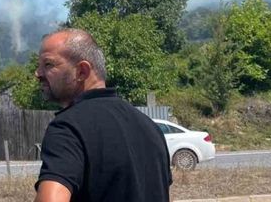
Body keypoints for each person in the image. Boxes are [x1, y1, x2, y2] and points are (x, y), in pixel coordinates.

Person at [33, 28, 171, 202]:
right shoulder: (149, 126)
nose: (37, 73)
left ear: (82, 71)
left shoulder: (68, 128)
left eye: (48, 65)